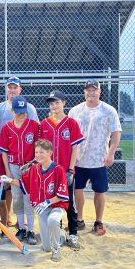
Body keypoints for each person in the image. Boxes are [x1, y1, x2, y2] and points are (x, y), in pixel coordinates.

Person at [0, 140, 69, 262]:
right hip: (42, 209)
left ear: (50, 153)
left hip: (55, 205)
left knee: (53, 221)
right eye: (36, 152)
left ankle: (57, 251)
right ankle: (62, 236)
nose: (38, 155)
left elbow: (62, 195)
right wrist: (9, 180)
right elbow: (23, 184)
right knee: (46, 247)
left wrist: (47, 202)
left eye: (42, 152)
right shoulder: (34, 169)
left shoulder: (59, 169)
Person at [68, 80, 122, 235]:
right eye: (88, 90)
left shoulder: (108, 110)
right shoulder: (76, 110)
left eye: (94, 90)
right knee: (77, 190)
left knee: (99, 191)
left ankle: (98, 221)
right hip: (78, 159)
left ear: (99, 92)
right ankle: (79, 219)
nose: (91, 93)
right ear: (84, 92)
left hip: (99, 159)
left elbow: (116, 132)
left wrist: (111, 153)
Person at [0, 76, 39, 227]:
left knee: (28, 195)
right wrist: (7, 168)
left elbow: (37, 140)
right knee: (14, 192)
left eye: (15, 87)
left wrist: (34, 162)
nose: (12, 90)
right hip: (11, 158)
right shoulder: (0, 109)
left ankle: (29, 227)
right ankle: (15, 221)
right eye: (10, 87)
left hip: (28, 163)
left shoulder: (30, 111)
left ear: (20, 89)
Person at [40, 90, 84, 250]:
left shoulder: (71, 123)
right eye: (51, 103)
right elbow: (41, 150)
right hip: (50, 172)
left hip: (65, 170)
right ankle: (57, 233)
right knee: (53, 203)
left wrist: (71, 169)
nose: (54, 106)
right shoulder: (44, 123)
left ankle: (72, 234)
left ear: (64, 103)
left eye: (57, 102)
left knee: (69, 202)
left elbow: (75, 147)